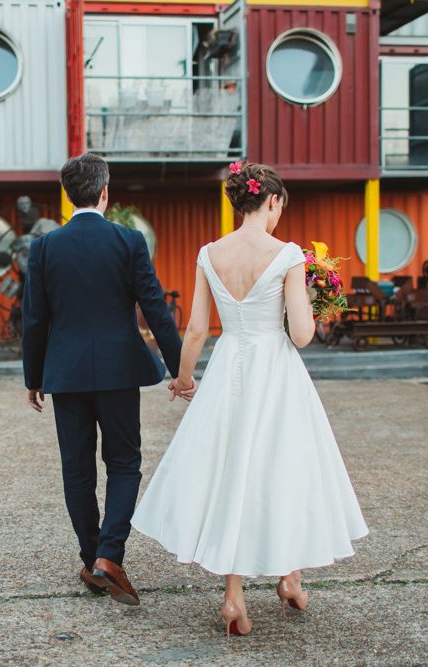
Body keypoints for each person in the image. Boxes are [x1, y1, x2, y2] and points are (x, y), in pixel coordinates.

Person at [131, 162, 368, 636]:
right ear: (273, 201)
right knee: (284, 470)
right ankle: (288, 577)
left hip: (228, 369)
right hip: (276, 374)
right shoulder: (288, 255)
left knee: (232, 472)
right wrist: (316, 307)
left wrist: (182, 379)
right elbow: (300, 336)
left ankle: (237, 596)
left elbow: (197, 330)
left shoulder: (209, 253)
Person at [21, 153, 190, 606]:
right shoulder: (129, 240)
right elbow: (156, 308)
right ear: (105, 192)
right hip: (119, 371)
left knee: (76, 470)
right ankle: (108, 556)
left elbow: (34, 320)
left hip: (66, 373)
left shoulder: (44, 247)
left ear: (68, 194)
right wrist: (181, 371)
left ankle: (91, 554)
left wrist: (32, 378)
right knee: (124, 463)